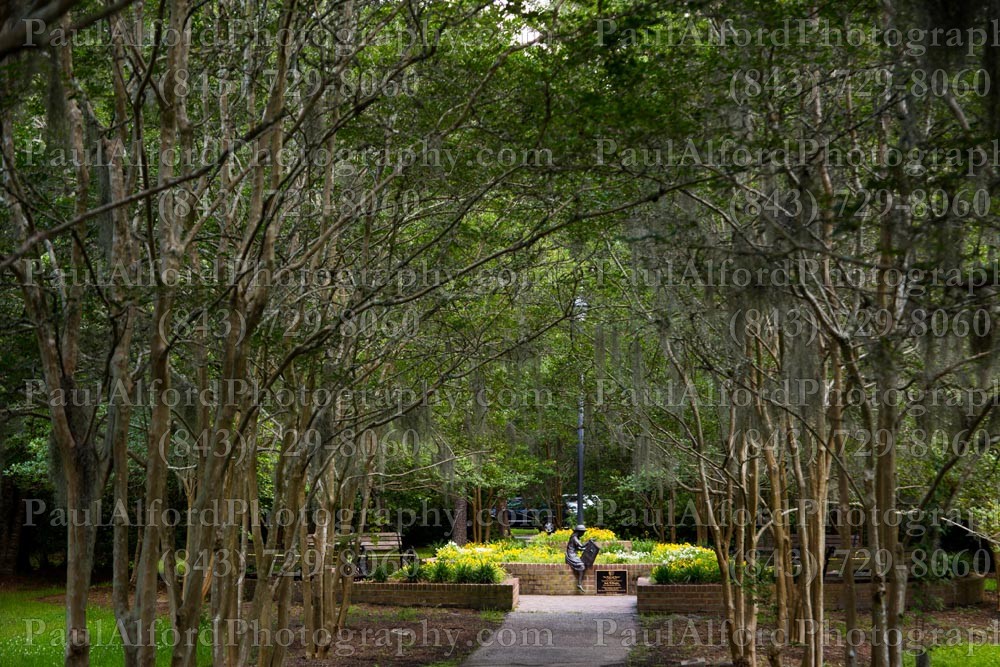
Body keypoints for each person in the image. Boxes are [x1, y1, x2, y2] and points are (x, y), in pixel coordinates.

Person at [564, 525, 587, 592]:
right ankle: (579, 584)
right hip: (571, 555)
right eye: (583, 532)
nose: (583, 534)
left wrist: (585, 549)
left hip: (573, 554)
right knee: (582, 566)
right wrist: (589, 542)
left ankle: (579, 584)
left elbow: (579, 548)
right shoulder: (574, 538)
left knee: (583, 563)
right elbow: (581, 545)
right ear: (579, 532)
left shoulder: (575, 538)